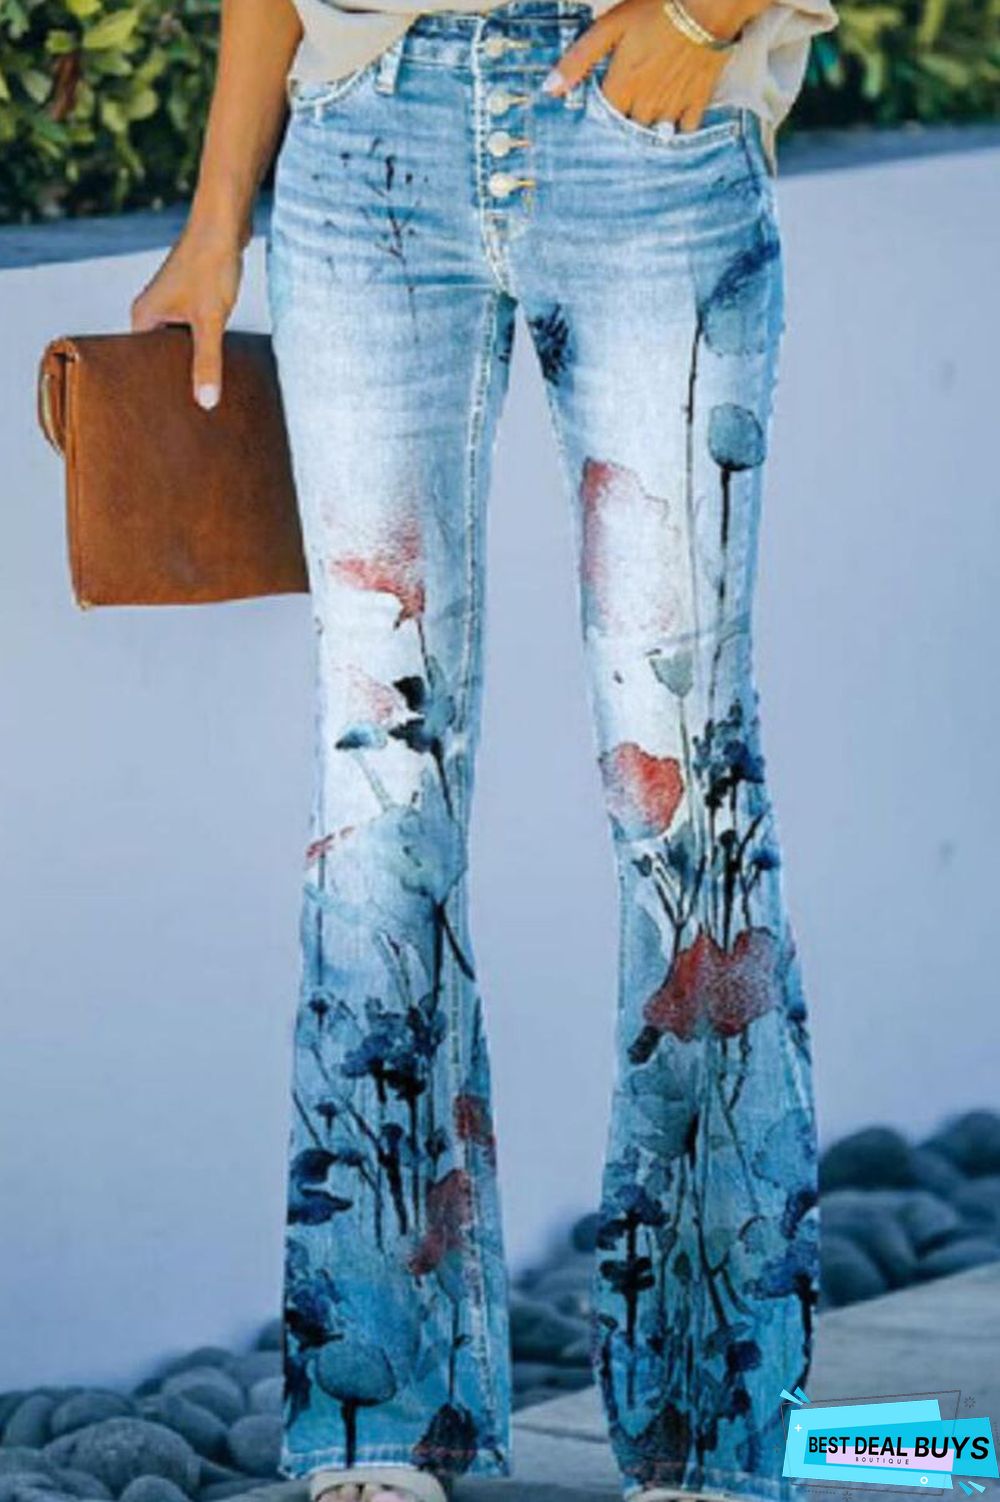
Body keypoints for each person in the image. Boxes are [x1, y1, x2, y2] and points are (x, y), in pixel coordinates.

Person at [132, 0, 837, 1492]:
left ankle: (715, 1437)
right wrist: (216, 220)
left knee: (684, 783)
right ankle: (385, 1417)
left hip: (643, 130)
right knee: (376, 786)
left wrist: (706, 18)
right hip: (364, 141)